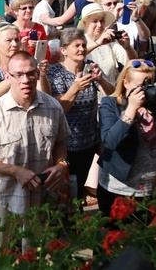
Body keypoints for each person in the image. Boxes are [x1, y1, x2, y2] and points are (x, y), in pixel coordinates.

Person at [0, 51, 71, 248]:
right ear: (8, 77)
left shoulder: (53, 107)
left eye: (30, 73)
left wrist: (61, 164)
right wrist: (15, 171)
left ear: (38, 74)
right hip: (5, 197)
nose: (25, 80)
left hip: (41, 196)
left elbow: (60, 142)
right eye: (18, 75)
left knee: (35, 252)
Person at [98, 60, 156, 216]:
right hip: (120, 190)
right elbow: (109, 141)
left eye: (150, 83)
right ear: (125, 83)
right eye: (141, 85)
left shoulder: (154, 105)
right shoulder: (110, 104)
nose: (146, 90)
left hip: (153, 186)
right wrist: (131, 108)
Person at [47, 28, 114, 200]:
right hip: (66, 145)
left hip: (89, 141)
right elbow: (58, 109)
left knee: (80, 187)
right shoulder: (55, 73)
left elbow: (114, 95)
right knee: (65, 191)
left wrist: (101, 80)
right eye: (76, 45)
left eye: (83, 45)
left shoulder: (90, 67)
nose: (81, 49)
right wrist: (75, 88)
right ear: (63, 50)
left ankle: (78, 217)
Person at [79, 3, 135, 84]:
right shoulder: (80, 41)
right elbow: (77, 54)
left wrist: (127, 47)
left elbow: (131, 63)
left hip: (111, 92)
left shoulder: (109, 41)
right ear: (85, 23)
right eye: (95, 21)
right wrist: (98, 43)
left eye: (102, 21)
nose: (99, 25)